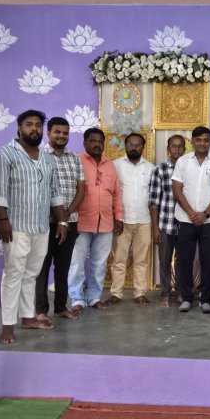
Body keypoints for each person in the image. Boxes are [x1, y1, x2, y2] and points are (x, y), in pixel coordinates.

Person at [0, 110, 68, 344]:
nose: (34, 129)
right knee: (13, 274)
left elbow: (54, 192)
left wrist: (62, 221)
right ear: (19, 128)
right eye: (29, 124)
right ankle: (7, 325)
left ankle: (27, 317)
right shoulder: (5, 154)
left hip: (41, 226)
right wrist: (3, 220)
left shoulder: (46, 158)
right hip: (16, 226)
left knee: (31, 274)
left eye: (37, 125)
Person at [172, 126, 210, 314]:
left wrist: (205, 214)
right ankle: (186, 298)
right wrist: (191, 213)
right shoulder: (183, 162)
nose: (202, 143)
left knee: (208, 260)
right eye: (198, 140)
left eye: (206, 140)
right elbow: (177, 190)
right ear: (192, 142)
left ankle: (205, 299)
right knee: (185, 260)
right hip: (186, 219)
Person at [34, 117, 85, 321]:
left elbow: (81, 189)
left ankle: (61, 307)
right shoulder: (39, 156)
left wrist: (67, 214)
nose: (61, 136)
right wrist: (58, 216)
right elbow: (38, 189)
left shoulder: (74, 158)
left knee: (63, 266)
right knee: (42, 266)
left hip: (70, 220)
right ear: (48, 133)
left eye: (65, 133)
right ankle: (41, 311)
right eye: (57, 132)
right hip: (45, 221)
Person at [67, 128, 123, 314]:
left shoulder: (110, 166)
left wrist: (119, 217)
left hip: (105, 223)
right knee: (77, 263)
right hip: (81, 222)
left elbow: (116, 194)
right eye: (92, 141)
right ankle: (77, 299)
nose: (96, 144)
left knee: (99, 264)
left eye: (100, 141)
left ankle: (94, 297)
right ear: (85, 143)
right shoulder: (77, 161)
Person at [102, 133, 156, 306]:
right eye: (131, 144)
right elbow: (111, 193)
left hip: (144, 220)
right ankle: (116, 293)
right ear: (125, 146)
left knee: (141, 260)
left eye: (138, 145)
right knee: (119, 259)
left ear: (143, 147)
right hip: (121, 220)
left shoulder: (151, 168)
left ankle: (140, 293)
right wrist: (115, 217)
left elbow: (154, 197)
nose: (134, 147)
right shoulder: (115, 166)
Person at [149, 134, 185, 307]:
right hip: (165, 223)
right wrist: (155, 228)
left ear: (185, 149)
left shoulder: (189, 169)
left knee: (182, 260)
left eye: (180, 146)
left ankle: (180, 292)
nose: (177, 149)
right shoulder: (160, 170)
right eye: (173, 146)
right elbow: (154, 202)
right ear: (168, 149)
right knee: (164, 261)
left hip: (185, 224)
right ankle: (165, 293)